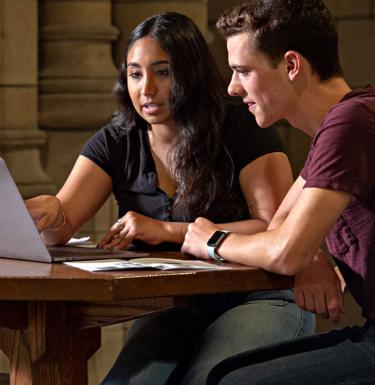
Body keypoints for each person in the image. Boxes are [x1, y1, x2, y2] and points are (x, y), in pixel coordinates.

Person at [26, 12, 315, 385]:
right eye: (134, 74)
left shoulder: (239, 125)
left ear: (190, 72)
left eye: (162, 72)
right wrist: (47, 214)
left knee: (208, 380)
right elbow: (62, 223)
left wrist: (168, 229)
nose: (146, 88)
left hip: (258, 296)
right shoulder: (118, 140)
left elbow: (274, 226)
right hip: (172, 306)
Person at [180, 1, 375, 384]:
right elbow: (283, 226)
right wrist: (307, 256)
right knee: (226, 374)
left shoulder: (350, 123)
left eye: (243, 71)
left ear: (291, 65)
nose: (233, 89)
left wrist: (213, 240)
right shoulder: (339, 125)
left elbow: (284, 250)